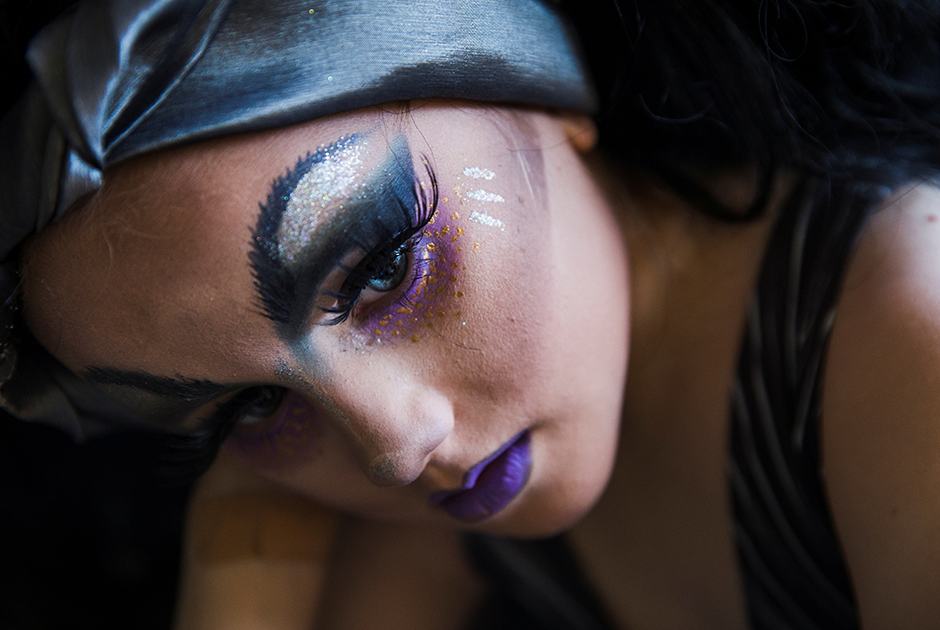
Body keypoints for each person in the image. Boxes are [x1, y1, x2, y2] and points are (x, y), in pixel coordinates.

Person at [1, 1, 939, 629]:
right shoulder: (439, 514)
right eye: (246, 407)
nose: (395, 446)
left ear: (528, 88)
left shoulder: (905, 330)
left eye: (382, 265)